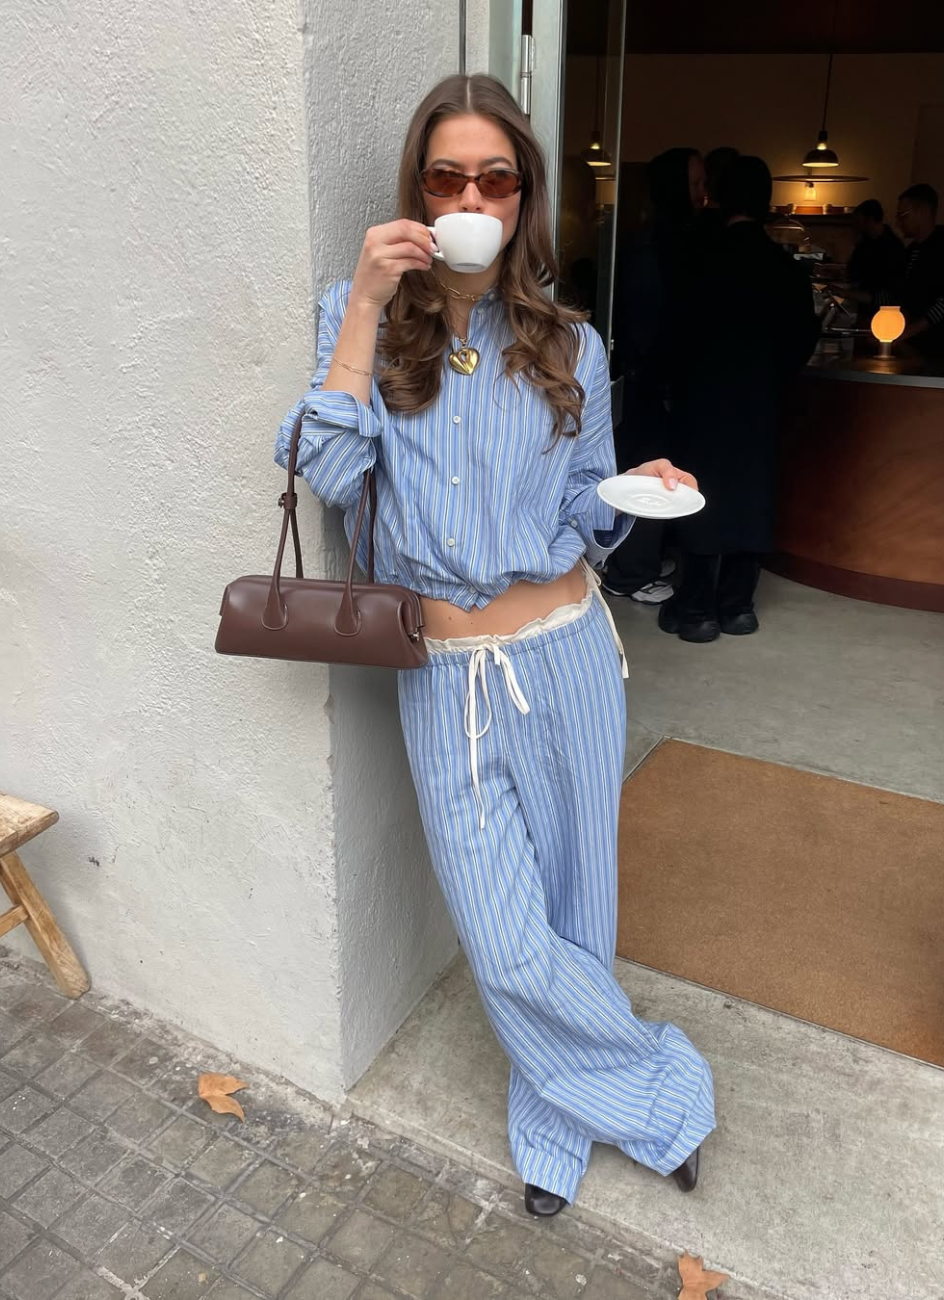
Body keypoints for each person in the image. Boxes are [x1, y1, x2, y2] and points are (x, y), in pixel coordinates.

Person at [274, 75, 716, 1216]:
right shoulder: (356, 316)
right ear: (418, 191)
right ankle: (660, 1091)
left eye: (495, 178)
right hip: (445, 677)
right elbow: (326, 471)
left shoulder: (570, 339)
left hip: (566, 655)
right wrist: (369, 305)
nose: (471, 196)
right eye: (445, 176)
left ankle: (553, 1123)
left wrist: (639, 486)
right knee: (507, 939)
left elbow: (589, 506)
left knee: (577, 913)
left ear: (524, 197)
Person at [660, 156, 820, 642]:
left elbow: (675, 334)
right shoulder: (786, 270)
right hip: (761, 401)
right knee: (753, 492)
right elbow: (802, 342)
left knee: (701, 491)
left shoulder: (698, 260)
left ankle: (696, 611)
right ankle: (737, 605)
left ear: (719, 197)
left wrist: (673, 388)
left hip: (704, 401)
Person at [602, 148, 708, 603]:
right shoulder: (651, 246)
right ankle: (629, 572)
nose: (703, 194)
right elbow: (646, 329)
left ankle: (641, 559)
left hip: (661, 381)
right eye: (696, 183)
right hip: (650, 382)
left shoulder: (676, 239)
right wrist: (663, 381)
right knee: (647, 469)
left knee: (663, 469)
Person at [845, 184, 944, 357]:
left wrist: (905, 332)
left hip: (937, 347)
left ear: (922, 211)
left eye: (902, 215)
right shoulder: (911, 251)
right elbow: (897, 294)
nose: (898, 223)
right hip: (911, 345)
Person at [845, 199, 906, 329]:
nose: (855, 225)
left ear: (870, 219)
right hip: (863, 307)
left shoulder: (892, 248)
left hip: (880, 313)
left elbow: (890, 291)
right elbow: (852, 271)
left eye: (858, 220)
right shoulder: (864, 243)